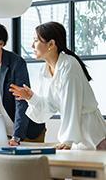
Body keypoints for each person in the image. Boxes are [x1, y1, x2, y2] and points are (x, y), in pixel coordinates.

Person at [9, 21, 106, 150]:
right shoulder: (46, 70)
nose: (32, 45)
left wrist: (67, 140)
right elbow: (49, 106)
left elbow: (71, 105)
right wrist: (30, 97)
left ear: (51, 44)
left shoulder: (69, 65)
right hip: (76, 139)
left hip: (93, 136)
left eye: (36, 40)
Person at [0, 20, 46, 146]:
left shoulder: (16, 63)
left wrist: (17, 137)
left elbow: (21, 101)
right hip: (2, 131)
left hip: (27, 130)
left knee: (29, 164)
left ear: (1, 43)